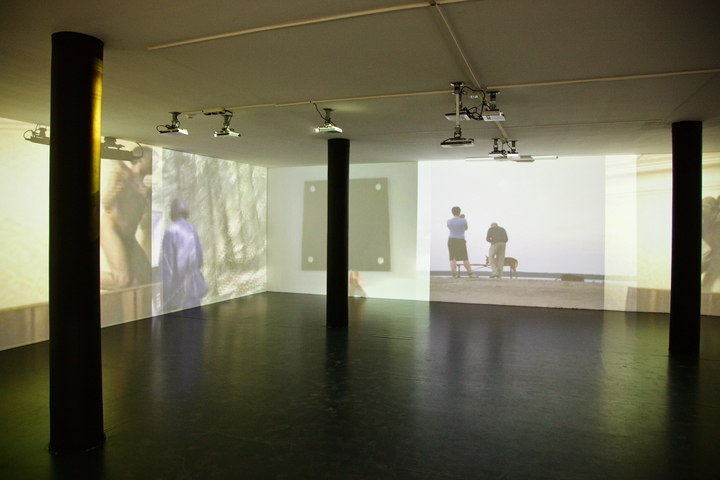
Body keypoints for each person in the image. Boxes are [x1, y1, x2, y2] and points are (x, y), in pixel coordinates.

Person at [100, 150, 152, 289]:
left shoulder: (145, 187)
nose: (155, 164)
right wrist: (120, 185)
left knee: (146, 278)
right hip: (112, 229)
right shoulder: (124, 174)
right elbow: (106, 203)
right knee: (122, 280)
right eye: (152, 160)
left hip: (128, 235)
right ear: (140, 160)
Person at [160, 198, 208, 311]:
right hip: (195, 291)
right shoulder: (192, 230)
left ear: (172, 213)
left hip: (179, 296)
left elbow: (167, 270)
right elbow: (200, 260)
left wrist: (166, 302)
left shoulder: (171, 232)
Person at [447, 206, 477, 278]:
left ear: (452, 212)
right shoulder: (463, 220)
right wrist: (461, 218)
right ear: (459, 212)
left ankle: (454, 274)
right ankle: (471, 274)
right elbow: (466, 228)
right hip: (460, 240)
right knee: (465, 258)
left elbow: (450, 228)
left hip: (451, 239)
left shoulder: (449, 221)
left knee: (453, 258)